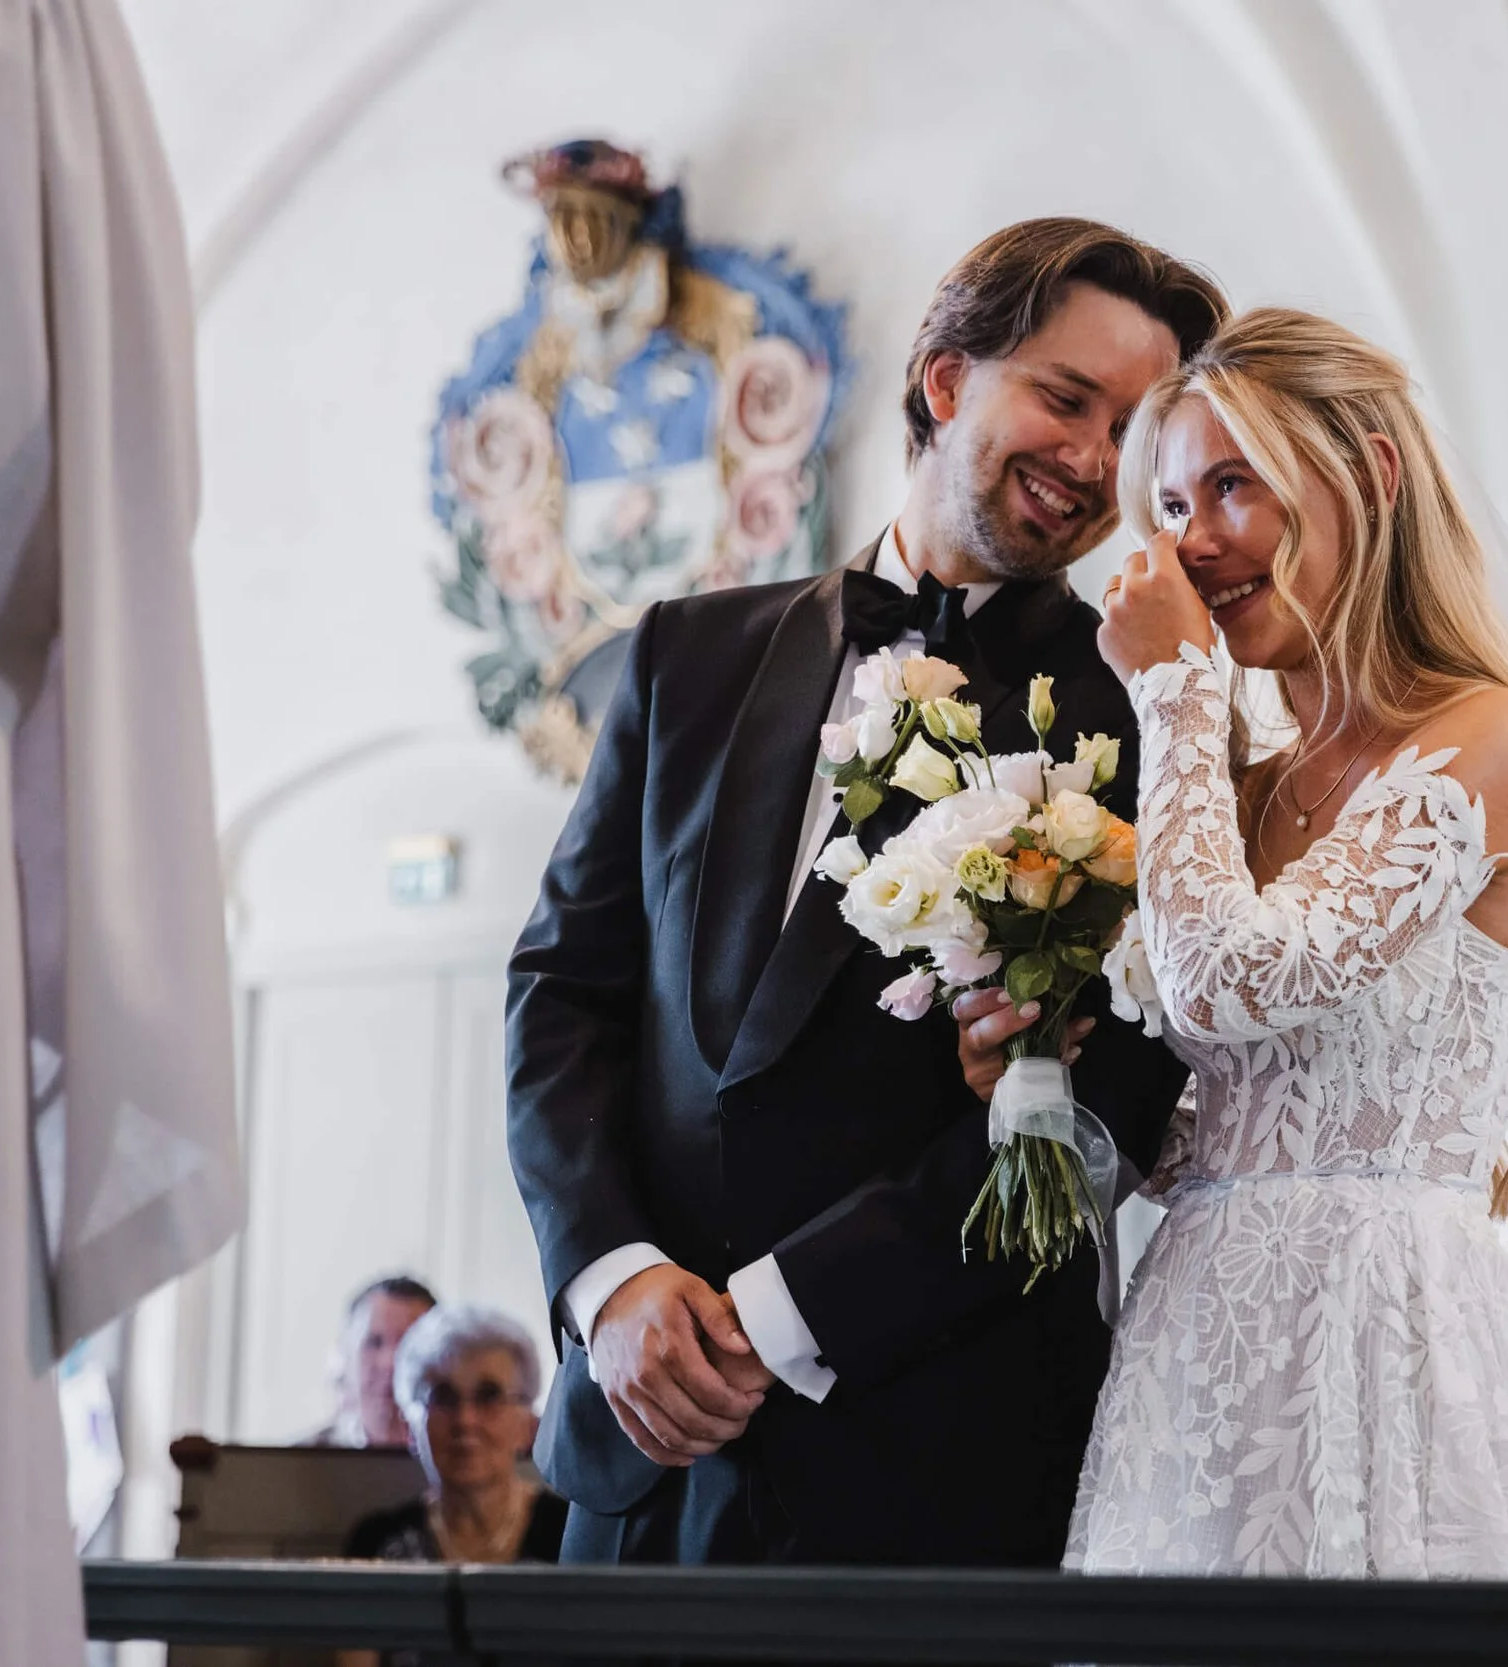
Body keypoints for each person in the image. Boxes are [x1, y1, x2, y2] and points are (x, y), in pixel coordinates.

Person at [505, 218, 1218, 1569]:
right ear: (948, 379)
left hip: (935, 1466)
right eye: (1065, 397)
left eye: (1130, 432)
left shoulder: (1151, 717)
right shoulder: (687, 653)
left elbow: (1107, 1106)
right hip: (637, 1443)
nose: (1088, 457)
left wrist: (776, 1314)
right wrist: (612, 1282)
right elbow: (565, 991)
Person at [1043, 307, 1508, 1578]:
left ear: (1370, 475)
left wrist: (1173, 690)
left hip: (1382, 1337)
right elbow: (1203, 1111)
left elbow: (1228, 987)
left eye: (1234, 484)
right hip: (1193, 1344)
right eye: (1170, 504)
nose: (1195, 540)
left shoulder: (1491, 739)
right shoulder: (1248, 781)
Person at [340, 1307, 566, 1667]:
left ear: (527, 1423)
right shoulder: (377, 1545)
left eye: (489, 1395)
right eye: (442, 1397)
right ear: (411, 1428)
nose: (465, 1420)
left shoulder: (568, 1537)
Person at [306, 1276, 438, 1449]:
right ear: (345, 1356)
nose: (389, 1363)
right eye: (374, 1343)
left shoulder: (464, 1466)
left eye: (408, 1346)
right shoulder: (298, 1466)